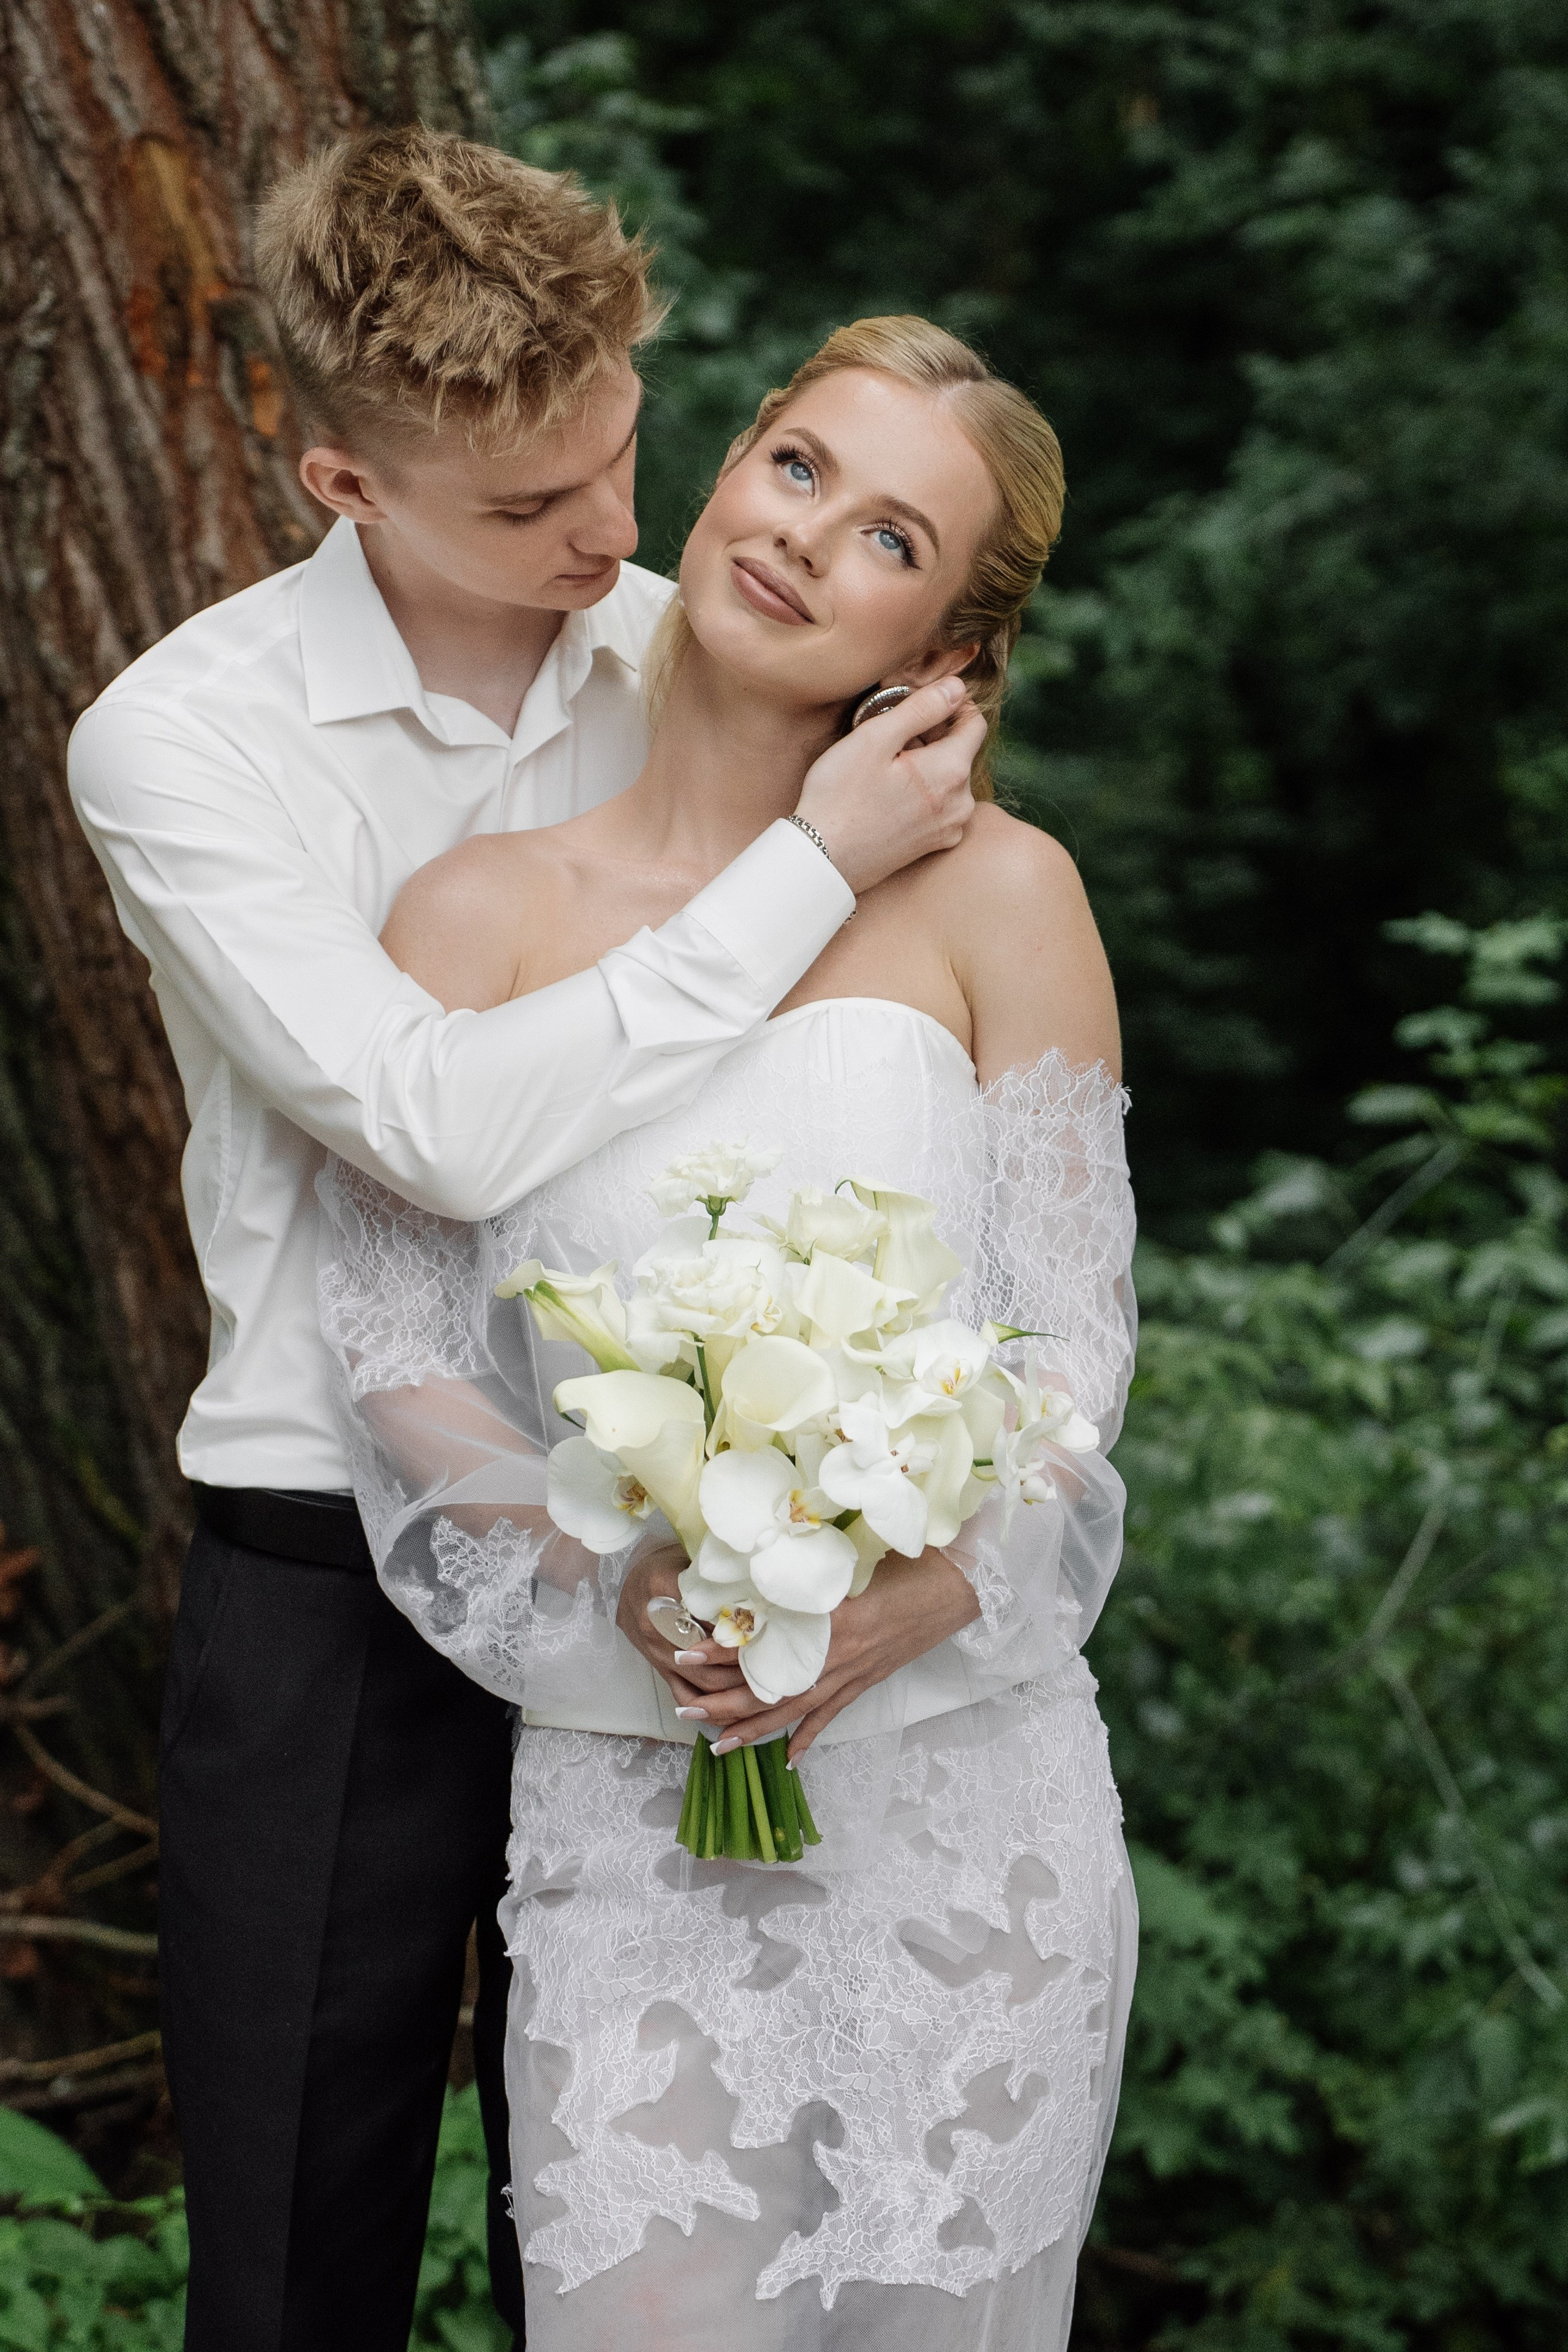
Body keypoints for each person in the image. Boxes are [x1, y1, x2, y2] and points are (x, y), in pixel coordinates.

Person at [66, 132, 981, 2352]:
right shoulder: (183, 744)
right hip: (324, 1557)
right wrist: (790, 874)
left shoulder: (702, 645)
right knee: (299, 2249)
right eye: (520, 506)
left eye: (620, 457)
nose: (603, 539)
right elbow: (434, 1126)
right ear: (337, 484)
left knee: (658, 2241)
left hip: (707, 1576)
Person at [321, 315, 1138, 2350]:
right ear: (725, 468)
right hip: (639, 1795)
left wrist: (929, 1583)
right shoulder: (472, 915)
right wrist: (627, 1574)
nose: (803, 540)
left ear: (939, 650)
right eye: (797, 466)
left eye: (890, 539)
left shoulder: (1007, 900)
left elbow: (1071, 1344)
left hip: (973, 1815)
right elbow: (396, 1354)